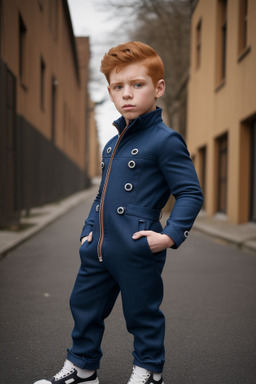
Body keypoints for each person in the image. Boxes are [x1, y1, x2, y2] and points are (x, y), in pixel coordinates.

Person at [34, 41, 203, 384]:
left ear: (158, 88)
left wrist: (169, 235)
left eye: (137, 85)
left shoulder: (165, 140)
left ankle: (149, 371)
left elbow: (189, 192)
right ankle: (82, 370)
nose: (127, 94)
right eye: (118, 87)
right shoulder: (112, 144)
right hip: (98, 245)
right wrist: (87, 230)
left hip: (137, 244)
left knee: (142, 313)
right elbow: (101, 194)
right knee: (84, 307)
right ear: (110, 93)